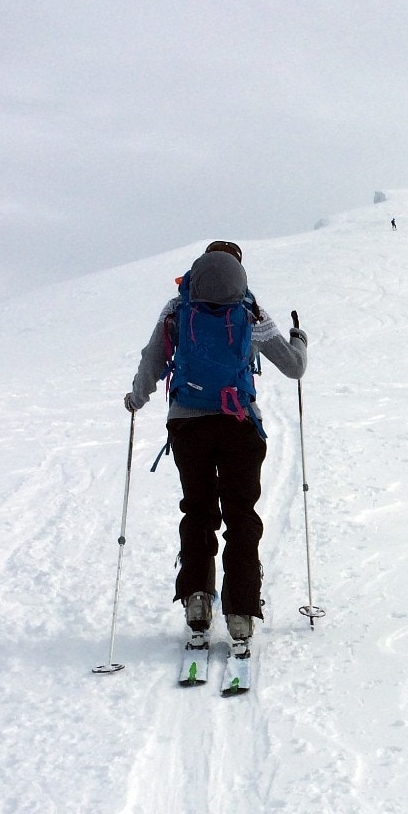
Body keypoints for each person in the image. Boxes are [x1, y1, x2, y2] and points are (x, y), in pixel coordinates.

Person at [124, 240, 308, 642]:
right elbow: (294, 368)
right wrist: (299, 340)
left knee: (199, 511)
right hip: (240, 425)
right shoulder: (250, 310)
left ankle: (196, 599)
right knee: (241, 515)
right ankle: (240, 611)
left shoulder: (177, 308)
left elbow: (152, 359)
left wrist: (136, 398)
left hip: (188, 426)